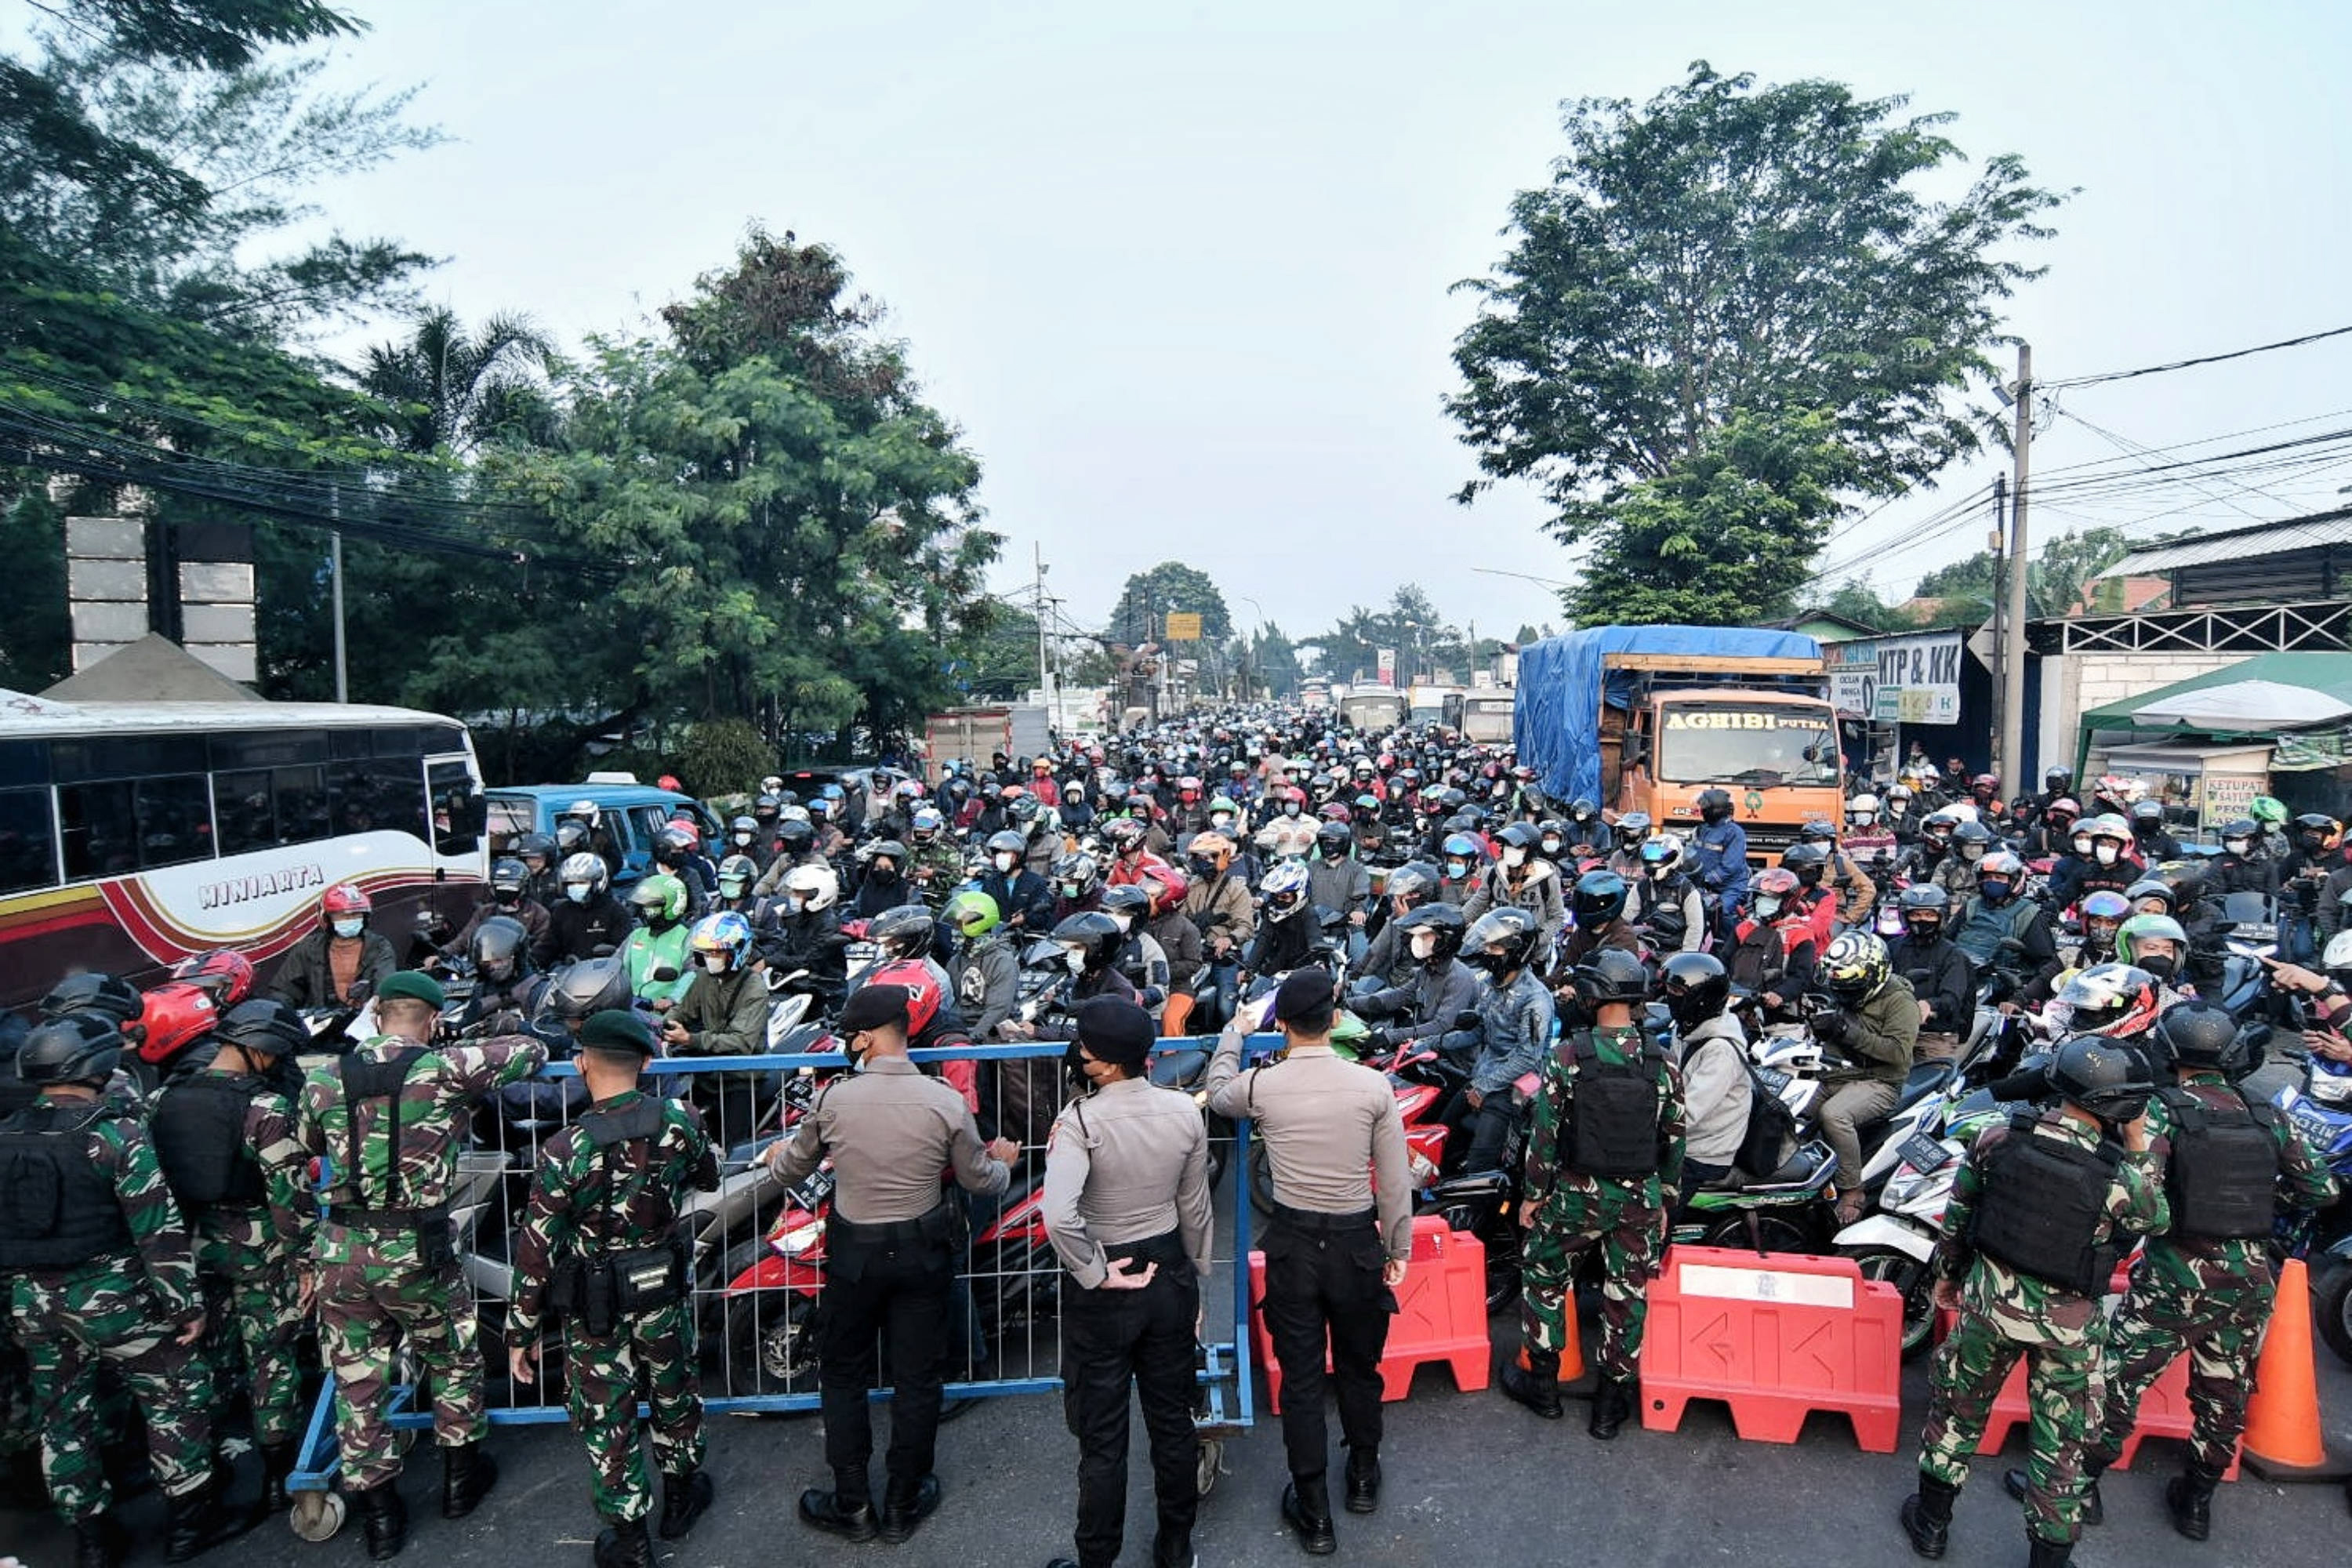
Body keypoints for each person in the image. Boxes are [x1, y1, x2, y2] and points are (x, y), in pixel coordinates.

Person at [2012, 1003, 2337, 1546]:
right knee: (2224, 1395)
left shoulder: (2161, 1111)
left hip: (2175, 1276)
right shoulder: (2267, 1114)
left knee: (2115, 1382)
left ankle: (2082, 1491)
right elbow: (2320, 1190)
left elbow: (2135, 1190)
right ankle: (2196, 1503)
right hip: (2252, 1278)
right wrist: (2256, 1201)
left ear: (2167, 1050)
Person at [293, 970, 548, 1559]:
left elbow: (309, 1142)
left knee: (357, 1381)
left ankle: (380, 1516)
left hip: (343, 1249)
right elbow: (530, 1051)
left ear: (377, 1012)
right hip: (417, 1248)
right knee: (452, 1358)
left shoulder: (325, 1076)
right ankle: (460, 1481)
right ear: (431, 1021)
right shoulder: (443, 1068)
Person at [2, 1012, 261, 1568]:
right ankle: (192, 1524)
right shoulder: (113, 1134)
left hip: (34, 1304)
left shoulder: (6, 1131)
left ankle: (93, 1540)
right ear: (94, 1066)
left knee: (62, 1417)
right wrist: (186, 1307)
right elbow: (158, 1233)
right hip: (115, 1298)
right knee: (176, 1397)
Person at [764, 985, 1019, 1545]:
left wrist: (774, 1157)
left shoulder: (834, 1101)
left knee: (844, 1375)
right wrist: (1004, 1164)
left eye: (851, 1033)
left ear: (866, 1037)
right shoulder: (943, 1100)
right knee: (917, 1379)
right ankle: (904, 1501)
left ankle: (853, 1504)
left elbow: (789, 1172)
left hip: (854, 1256)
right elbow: (980, 1181)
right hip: (922, 1254)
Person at [1901, 1035, 2167, 1568]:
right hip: (2069, 1326)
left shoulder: (1997, 1138)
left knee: (1958, 1412)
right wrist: (2139, 1146)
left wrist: (1949, 1279)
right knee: (2063, 1442)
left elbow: (1958, 1219)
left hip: (1988, 1302)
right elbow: (2152, 1220)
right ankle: (2048, 1557)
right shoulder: (2119, 1174)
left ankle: (1931, 1524)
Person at [1204, 969, 1410, 1555]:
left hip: (1293, 1246)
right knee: (1359, 1367)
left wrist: (1233, 1033)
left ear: (1283, 1026)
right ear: (1336, 1018)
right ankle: (1364, 1476)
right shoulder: (1372, 1089)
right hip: (1357, 1245)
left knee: (1300, 1381)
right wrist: (1398, 1248)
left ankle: (1314, 1509)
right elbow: (1394, 1183)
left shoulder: (1263, 1087)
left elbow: (1219, 1092)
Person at [506, 1009, 720, 1568]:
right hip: (662, 1288)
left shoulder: (564, 1148)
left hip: (594, 1302)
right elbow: (707, 1178)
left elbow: (537, 1248)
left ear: (581, 1064)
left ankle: (631, 1541)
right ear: (647, 1062)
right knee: (675, 1389)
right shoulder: (683, 1119)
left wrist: (521, 1327)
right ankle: (680, 1499)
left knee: (609, 1413)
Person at [1041, 997, 1214, 1568]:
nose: (1080, 1054)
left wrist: (1093, 1270)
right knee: (1172, 1424)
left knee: (1103, 1438)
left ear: (1108, 1064)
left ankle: (1097, 1560)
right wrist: (1194, 1287)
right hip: (1169, 1271)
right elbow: (1196, 1208)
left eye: (1086, 1048)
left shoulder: (1079, 1122)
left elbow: (1059, 1215)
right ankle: (1176, 1546)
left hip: (1106, 1283)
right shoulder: (1184, 1112)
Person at [1501, 947, 1685, 1439]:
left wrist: (1533, 1196)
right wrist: (1664, 1198)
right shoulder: (1662, 1061)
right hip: (1639, 1198)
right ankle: (1610, 1406)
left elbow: (1544, 1133)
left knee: (1543, 1271)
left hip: (1576, 1193)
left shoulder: (1569, 1056)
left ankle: (1543, 1385)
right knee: (1626, 1296)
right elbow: (1674, 1137)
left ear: (1594, 994)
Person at [148, 999, 314, 1515]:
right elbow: (288, 1196)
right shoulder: (265, 1109)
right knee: (271, 1358)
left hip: (193, 1247)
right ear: (261, 1051)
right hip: (261, 1247)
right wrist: (306, 1260)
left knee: (210, 1358)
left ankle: (211, 1466)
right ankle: (276, 1473)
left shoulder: (161, 1100)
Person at [1811, 932, 1919, 1225]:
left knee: (1833, 1116)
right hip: (1835, 1072)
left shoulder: (1900, 1002)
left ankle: (1852, 1189)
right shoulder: (1844, 987)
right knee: (1789, 1111)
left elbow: (1897, 1054)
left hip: (1879, 1081)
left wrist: (1846, 1032)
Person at [1446, 909, 1555, 1175]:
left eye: (1494, 947)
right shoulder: (1490, 985)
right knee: (1443, 1132)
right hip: (1483, 1075)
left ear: (1514, 951)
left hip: (1511, 1091)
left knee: (1478, 1166)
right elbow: (1480, 1031)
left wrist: (1483, 1088)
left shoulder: (1535, 999)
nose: (1487, 951)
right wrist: (1433, 1043)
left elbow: (1527, 1058)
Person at [1660, 952, 1748, 1189]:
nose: (1670, 997)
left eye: (1678, 992)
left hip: (1704, 1153)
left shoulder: (1720, 1050)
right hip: (1686, 1140)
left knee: (1649, 1212)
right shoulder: (1687, 1029)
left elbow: (1688, 1113)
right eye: (1669, 990)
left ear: (1702, 998)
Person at [270, 882, 397, 1008]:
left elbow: (384, 983)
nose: (350, 919)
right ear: (328, 918)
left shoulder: (379, 947)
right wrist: (283, 1010)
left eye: (355, 914)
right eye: (343, 915)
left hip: (364, 1019)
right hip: (319, 1021)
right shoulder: (309, 948)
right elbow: (285, 990)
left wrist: (377, 1004)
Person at [1888, 886, 1976, 1063]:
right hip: (1892, 1031)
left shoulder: (1953, 955)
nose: (1922, 920)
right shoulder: (1893, 947)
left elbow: (1951, 999)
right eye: (1916, 915)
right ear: (1906, 916)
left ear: (1941, 917)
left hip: (1932, 1036)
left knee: (1931, 1086)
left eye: (1929, 915)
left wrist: (1929, 1006)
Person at [1461, 822, 1566, 952]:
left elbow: (1557, 917)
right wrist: (1459, 923)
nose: (1510, 851)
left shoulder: (1547, 879)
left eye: (1517, 847)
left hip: (1533, 954)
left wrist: (1537, 940)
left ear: (1530, 850)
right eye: (1507, 846)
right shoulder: (1494, 873)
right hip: (1497, 947)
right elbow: (1479, 902)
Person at [946, 890, 1022, 1044]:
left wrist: (971, 1042)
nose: (954, 930)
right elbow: (950, 1004)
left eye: (959, 924)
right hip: (961, 1035)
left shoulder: (1002, 960)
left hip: (994, 1036)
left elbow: (998, 1011)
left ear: (976, 923)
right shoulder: (956, 961)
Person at [537, 853, 637, 970]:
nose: (575, 887)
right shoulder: (562, 911)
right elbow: (547, 947)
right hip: (568, 974)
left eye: (582, 883)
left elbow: (626, 951)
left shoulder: (615, 911)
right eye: (571, 883)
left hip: (603, 975)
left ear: (597, 882)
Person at [620, 873, 695, 1011]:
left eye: (650, 906)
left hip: (667, 1013)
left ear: (672, 905)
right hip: (632, 1007)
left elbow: (693, 973)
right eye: (643, 906)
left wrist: (672, 999)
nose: (644, 911)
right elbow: (618, 967)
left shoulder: (687, 937)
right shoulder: (637, 935)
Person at [1688, 789, 1751, 927]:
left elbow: (1730, 866)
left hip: (1730, 887)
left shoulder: (1734, 832)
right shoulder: (1702, 829)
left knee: (1719, 910)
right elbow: (1691, 853)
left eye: (1704, 808)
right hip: (1705, 885)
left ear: (1714, 810)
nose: (1701, 811)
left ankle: (1727, 945)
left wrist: (1707, 879)